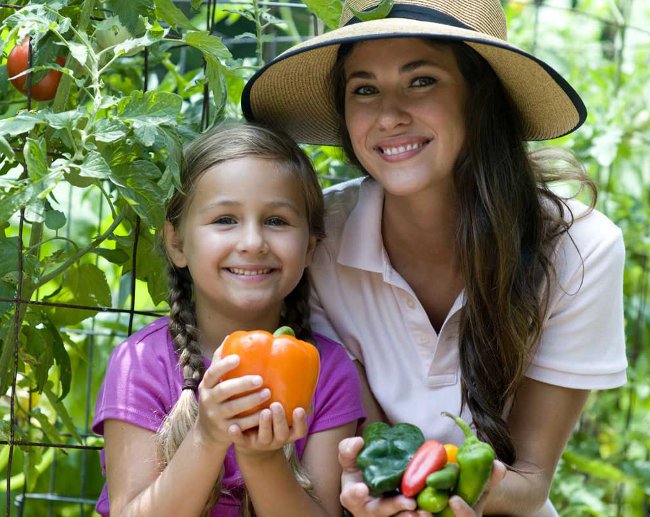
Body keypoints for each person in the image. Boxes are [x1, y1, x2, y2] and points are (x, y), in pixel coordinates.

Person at [242, 0, 628, 515]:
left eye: (421, 80)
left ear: (481, 96)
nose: (388, 115)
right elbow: (375, 445)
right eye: (364, 89)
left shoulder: (581, 248)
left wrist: (444, 489)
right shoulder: (321, 239)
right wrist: (382, 486)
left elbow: (530, 482)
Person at [92, 123, 365, 517]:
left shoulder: (329, 371)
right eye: (225, 220)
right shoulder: (139, 364)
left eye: (276, 221)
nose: (252, 242)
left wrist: (262, 459)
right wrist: (208, 435)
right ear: (177, 243)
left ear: (309, 247)